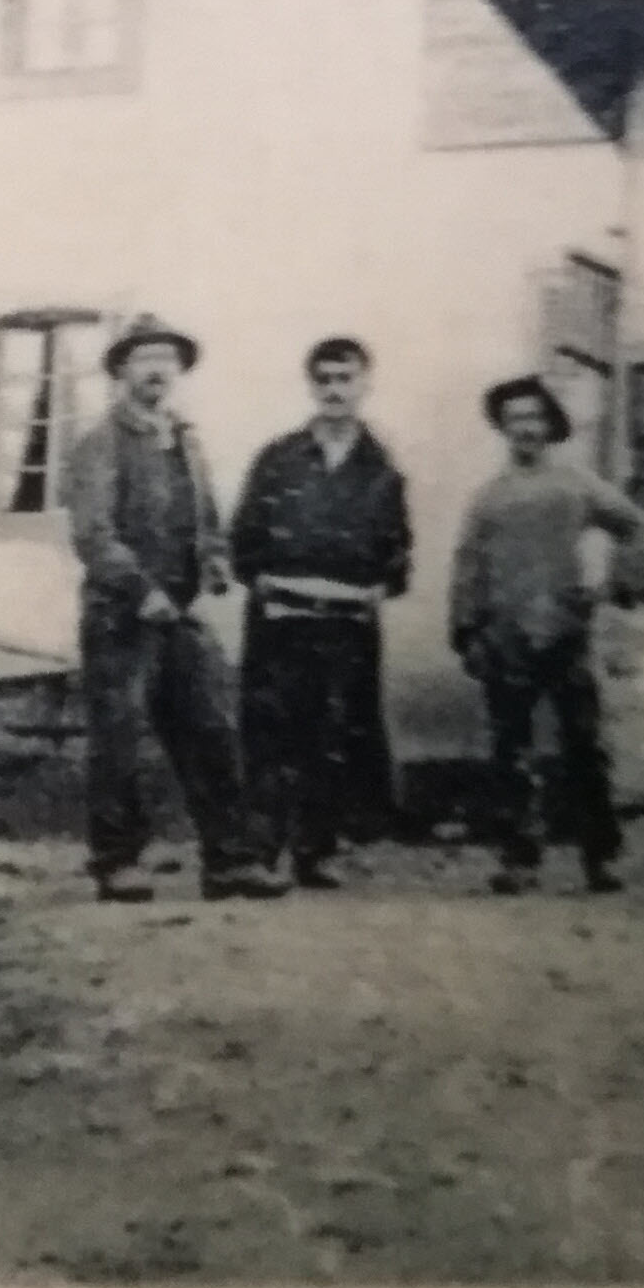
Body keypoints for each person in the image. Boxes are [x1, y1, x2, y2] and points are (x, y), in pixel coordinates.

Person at [57, 315, 278, 903]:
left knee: (211, 725)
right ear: (121, 371)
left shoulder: (185, 438)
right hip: (119, 616)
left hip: (178, 611)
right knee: (120, 736)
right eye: (144, 358)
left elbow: (206, 516)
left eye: (167, 359)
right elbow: (93, 534)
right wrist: (139, 589)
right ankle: (116, 862)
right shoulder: (100, 443)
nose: (157, 369)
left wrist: (213, 559)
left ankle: (230, 861)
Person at [446, 375, 644, 896]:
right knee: (511, 752)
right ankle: (519, 859)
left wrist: (613, 587)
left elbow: (636, 527)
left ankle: (601, 858)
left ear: (550, 425)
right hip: (506, 637)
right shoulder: (488, 498)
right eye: (515, 419)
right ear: (503, 428)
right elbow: (467, 567)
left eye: (534, 418)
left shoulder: (577, 484)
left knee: (583, 747)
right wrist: (467, 630)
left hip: (566, 634)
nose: (525, 429)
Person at [227, 336, 412, 890]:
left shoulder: (381, 468)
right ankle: (261, 850)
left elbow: (398, 548)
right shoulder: (278, 457)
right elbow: (243, 536)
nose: (334, 390)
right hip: (281, 621)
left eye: (345, 379)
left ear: (364, 385)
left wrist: (383, 585)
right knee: (270, 733)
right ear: (311, 386)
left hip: (347, 625)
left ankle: (317, 851)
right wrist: (261, 580)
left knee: (335, 734)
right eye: (324, 379)